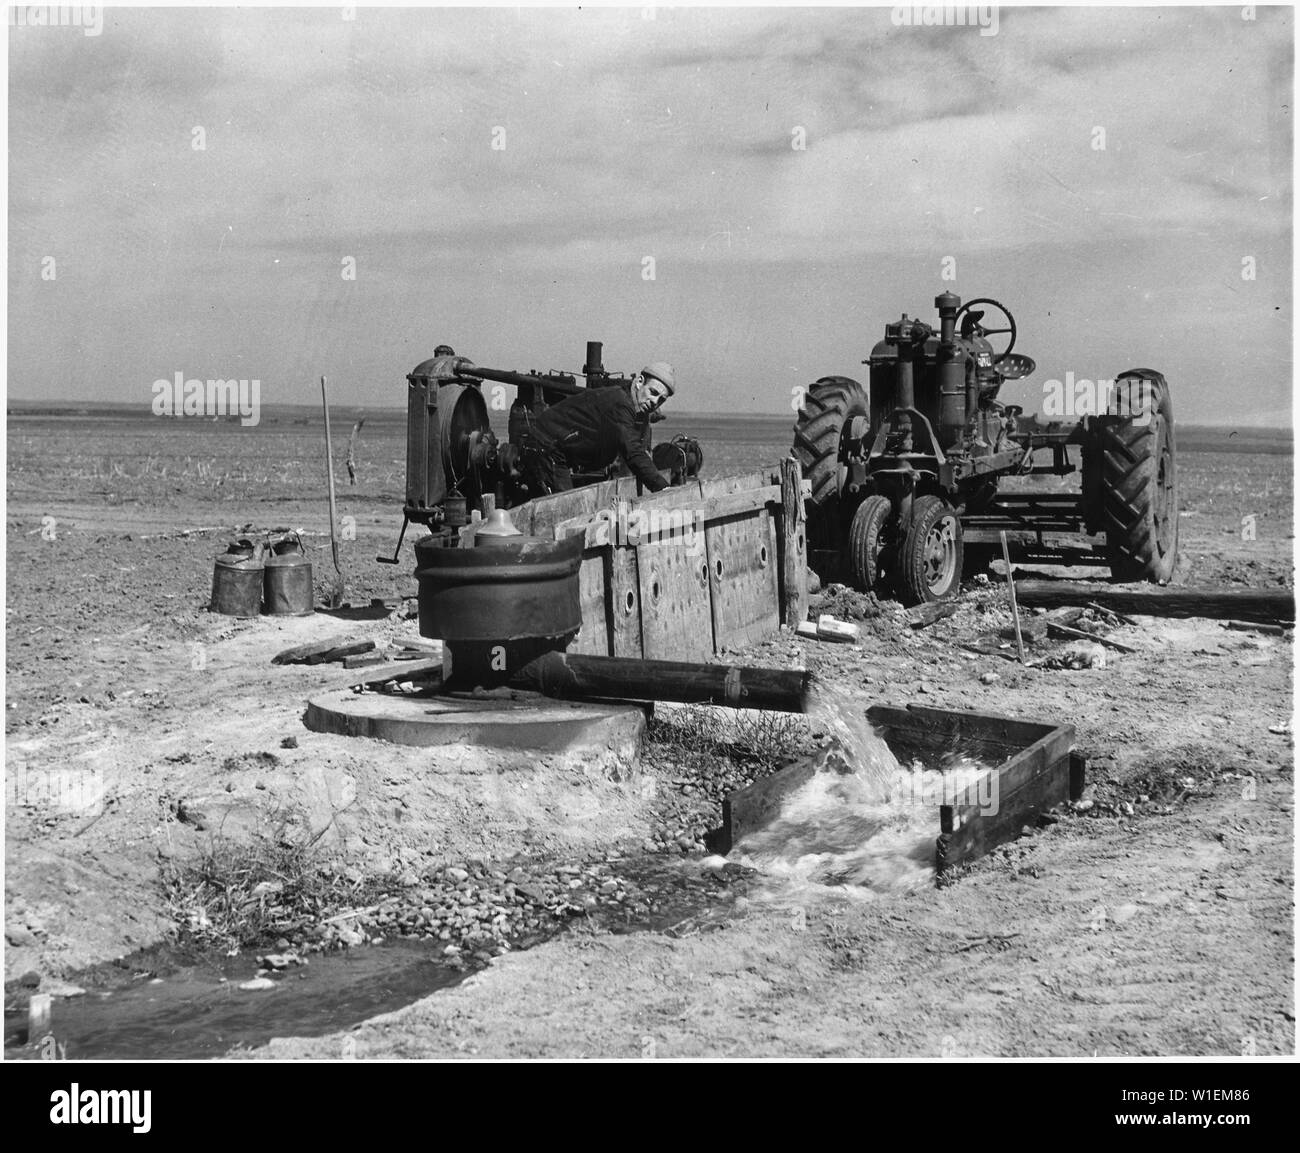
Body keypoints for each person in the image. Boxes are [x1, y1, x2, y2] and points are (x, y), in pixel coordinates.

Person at [517, 362, 676, 496]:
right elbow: (632, 450)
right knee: (565, 508)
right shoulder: (620, 403)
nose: (655, 401)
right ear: (640, 382)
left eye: (661, 399)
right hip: (545, 448)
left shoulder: (631, 406)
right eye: (653, 392)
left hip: (560, 452)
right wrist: (663, 488)